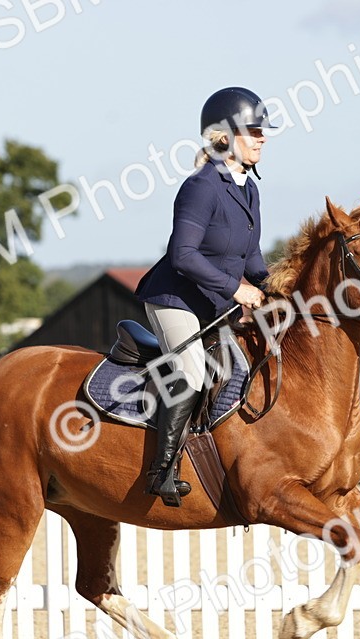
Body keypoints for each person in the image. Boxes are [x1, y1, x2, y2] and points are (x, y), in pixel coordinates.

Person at [135, 87, 272, 506]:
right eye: (253, 130)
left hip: (212, 305)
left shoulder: (248, 189)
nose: (263, 137)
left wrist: (274, 289)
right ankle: (162, 472)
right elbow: (183, 255)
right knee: (193, 372)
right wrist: (236, 289)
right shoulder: (201, 187)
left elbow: (251, 257)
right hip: (174, 300)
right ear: (225, 136)